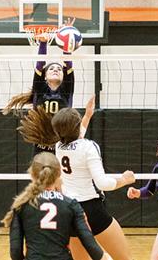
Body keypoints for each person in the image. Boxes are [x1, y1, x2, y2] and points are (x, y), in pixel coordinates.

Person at [51, 108, 135, 260]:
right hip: (91, 210)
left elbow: (74, 136)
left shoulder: (58, 147)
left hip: (69, 212)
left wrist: (87, 115)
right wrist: (124, 179)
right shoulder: (89, 147)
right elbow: (103, 183)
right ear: (76, 127)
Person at [4, 18, 94, 153]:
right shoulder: (39, 89)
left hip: (62, 145)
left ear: (63, 76)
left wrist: (67, 42)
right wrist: (43, 43)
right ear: (45, 76)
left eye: (58, 69)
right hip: (41, 144)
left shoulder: (66, 90)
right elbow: (40, 64)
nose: (56, 69)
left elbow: (67, 64)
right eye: (51, 69)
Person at [1, 151, 112, 260]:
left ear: (32, 175)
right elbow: (89, 243)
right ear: (59, 174)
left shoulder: (22, 205)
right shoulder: (71, 205)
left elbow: (15, 251)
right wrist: (104, 257)